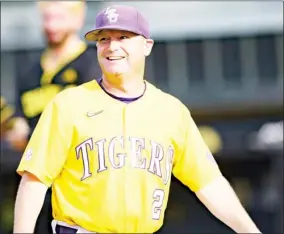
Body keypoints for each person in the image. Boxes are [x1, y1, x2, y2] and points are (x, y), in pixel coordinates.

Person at [13, 4, 262, 234]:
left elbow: (209, 184)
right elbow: (34, 180)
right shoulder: (67, 105)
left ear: (147, 46)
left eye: (123, 37)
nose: (112, 47)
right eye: (103, 39)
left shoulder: (171, 111)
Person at [6, 1, 99, 234]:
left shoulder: (93, 64)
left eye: (58, 18)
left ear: (78, 19)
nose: (50, 25)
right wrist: (16, 130)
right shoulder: (29, 71)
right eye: (46, 18)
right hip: (36, 184)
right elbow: (19, 121)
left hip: (80, 186)